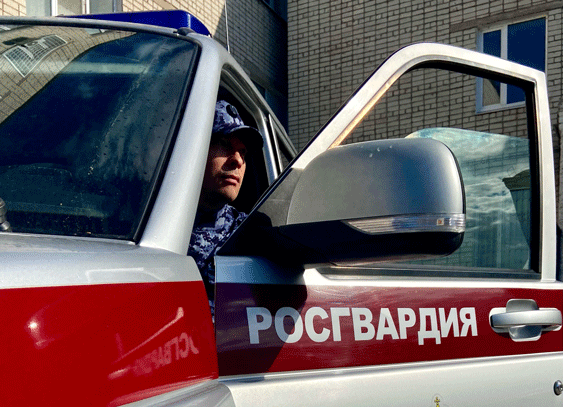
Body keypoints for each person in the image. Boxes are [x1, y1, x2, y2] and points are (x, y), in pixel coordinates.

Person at [188, 100, 263, 315]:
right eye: (224, 144)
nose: (237, 160)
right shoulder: (146, 222)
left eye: (243, 152)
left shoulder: (251, 234)